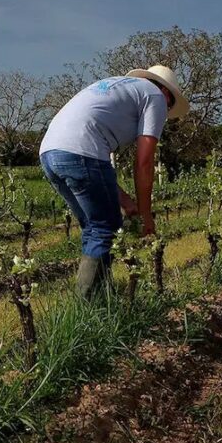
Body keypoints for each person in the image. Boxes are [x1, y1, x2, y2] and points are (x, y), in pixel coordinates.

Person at [39, 65, 189, 298]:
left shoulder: (120, 87)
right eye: (169, 109)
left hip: (49, 153)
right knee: (104, 229)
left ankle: (98, 297)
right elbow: (145, 162)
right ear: (168, 94)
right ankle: (88, 306)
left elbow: (94, 166)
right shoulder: (156, 96)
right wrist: (146, 215)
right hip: (82, 152)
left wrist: (128, 203)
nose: (165, 113)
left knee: (93, 227)